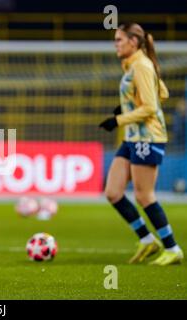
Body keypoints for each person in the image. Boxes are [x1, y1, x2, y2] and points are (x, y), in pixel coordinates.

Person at [99, 23, 183, 265]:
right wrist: (127, 106)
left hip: (147, 137)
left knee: (144, 195)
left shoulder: (141, 66)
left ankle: (172, 248)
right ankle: (147, 240)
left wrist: (119, 118)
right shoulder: (134, 65)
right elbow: (162, 92)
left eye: (119, 39)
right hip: (133, 137)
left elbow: (151, 106)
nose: (116, 44)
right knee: (113, 192)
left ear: (133, 42)